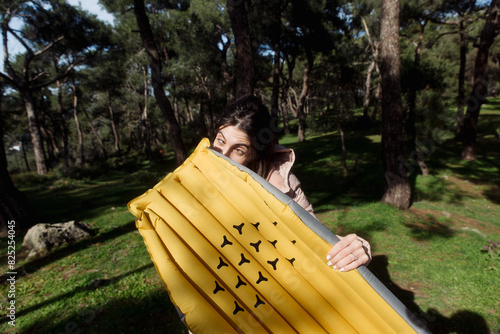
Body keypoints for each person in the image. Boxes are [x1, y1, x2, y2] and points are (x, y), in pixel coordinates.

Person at [211, 95, 372, 272]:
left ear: (254, 155)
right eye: (220, 140)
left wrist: (356, 247)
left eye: (239, 150)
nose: (222, 155)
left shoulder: (284, 184)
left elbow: (315, 235)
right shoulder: (192, 173)